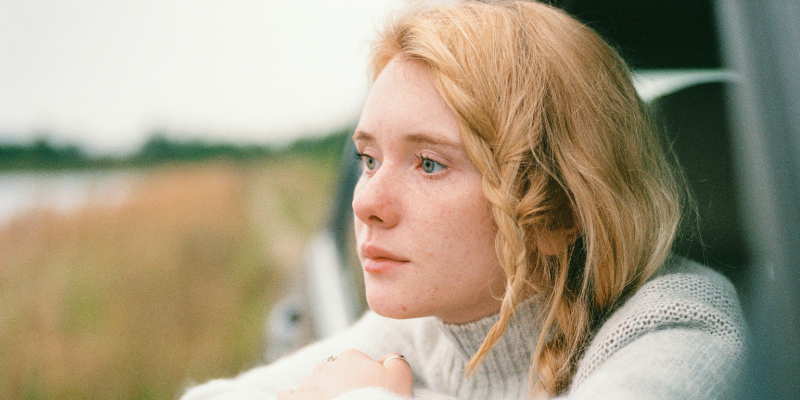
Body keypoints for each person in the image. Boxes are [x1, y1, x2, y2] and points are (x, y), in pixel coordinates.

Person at [181, 1, 746, 399]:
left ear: (558, 213)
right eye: (369, 159)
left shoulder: (679, 326)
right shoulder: (426, 328)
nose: (366, 202)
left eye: (429, 164)